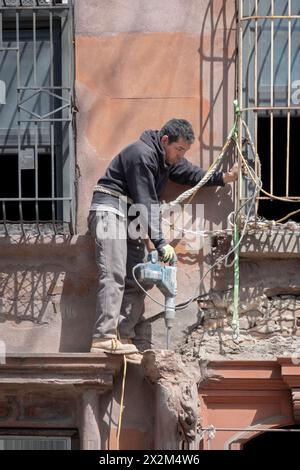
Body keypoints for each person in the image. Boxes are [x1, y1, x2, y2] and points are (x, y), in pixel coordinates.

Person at [87, 119, 238, 359]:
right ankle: (104, 337)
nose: (181, 156)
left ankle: (122, 335)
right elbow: (146, 202)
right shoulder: (141, 154)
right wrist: (160, 242)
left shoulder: (165, 160)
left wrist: (224, 177)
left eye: (184, 151)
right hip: (110, 211)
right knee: (114, 272)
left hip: (130, 217)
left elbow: (191, 174)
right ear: (165, 140)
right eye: (179, 150)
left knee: (138, 277)